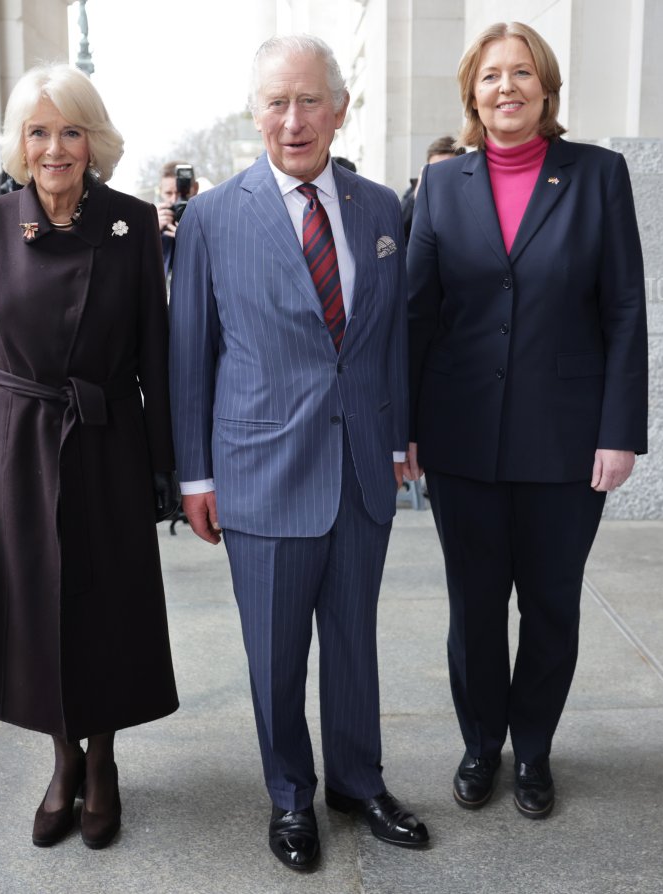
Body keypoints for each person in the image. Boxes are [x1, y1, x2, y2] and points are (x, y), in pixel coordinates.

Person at [170, 34, 429, 872]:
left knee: (354, 641)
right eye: (277, 102)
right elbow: (190, 354)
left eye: (310, 100)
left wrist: (395, 439)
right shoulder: (211, 217)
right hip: (261, 471)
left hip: (360, 469)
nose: (294, 119)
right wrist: (195, 475)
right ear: (256, 113)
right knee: (276, 655)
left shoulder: (380, 207)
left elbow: (387, 338)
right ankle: (290, 795)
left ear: (340, 109)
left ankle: (357, 781)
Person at [0, 63, 180, 851]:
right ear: (19, 142)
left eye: (70, 130)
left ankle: (103, 760)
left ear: (93, 140)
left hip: (106, 443)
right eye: (38, 131)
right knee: (34, 606)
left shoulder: (131, 223)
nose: (54, 147)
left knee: (105, 605)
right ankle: (62, 759)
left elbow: (155, 358)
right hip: (13, 446)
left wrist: (165, 466)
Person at [406, 22, 648, 820]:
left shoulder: (599, 176)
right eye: (490, 76)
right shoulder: (443, 186)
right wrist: (402, 425)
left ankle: (534, 749)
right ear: (471, 94)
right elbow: (418, 315)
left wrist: (620, 430)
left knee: (550, 603)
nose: (505, 88)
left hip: (567, 440)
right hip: (462, 437)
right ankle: (482, 746)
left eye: (521, 74)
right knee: (474, 607)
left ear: (546, 88)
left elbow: (623, 308)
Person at [399, 136, 465, 242]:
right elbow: (397, 228)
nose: (440, 175)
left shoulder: (470, 195)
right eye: (435, 169)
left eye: (446, 168)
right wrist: (417, 196)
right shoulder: (415, 191)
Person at [155, 160, 199, 277]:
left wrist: (193, 239)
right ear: (160, 191)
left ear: (195, 188)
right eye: (169, 193)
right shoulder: (151, 221)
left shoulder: (208, 221)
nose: (175, 200)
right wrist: (152, 231)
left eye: (181, 193)